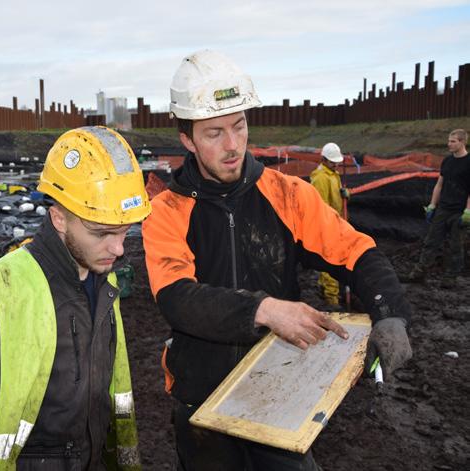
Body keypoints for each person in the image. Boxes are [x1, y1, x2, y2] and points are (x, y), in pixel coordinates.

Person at [142, 50, 413, 471]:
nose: (232, 146)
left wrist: (389, 311)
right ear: (187, 140)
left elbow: (356, 251)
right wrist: (264, 310)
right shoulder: (166, 212)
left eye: (239, 126)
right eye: (214, 133)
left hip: (278, 389)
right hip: (201, 398)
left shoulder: (288, 195)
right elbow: (177, 297)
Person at [0, 126, 150, 470]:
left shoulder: (103, 280)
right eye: (102, 233)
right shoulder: (4, 289)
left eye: (125, 230)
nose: (119, 248)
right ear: (58, 218)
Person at [404, 129, 470, 288]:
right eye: (449, 141)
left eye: (453, 141)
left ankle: (450, 278)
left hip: (459, 211)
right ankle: (419, 273)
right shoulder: (447, 161)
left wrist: (468, 211)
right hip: (444, 208)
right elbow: (439, 185)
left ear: (462, 142)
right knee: (431, 241)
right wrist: (432, 205)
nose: (449, 144)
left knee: (456, 245)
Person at [309, 142, 351, 307]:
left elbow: (337, 197)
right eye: (332, 161)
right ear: (323, 159)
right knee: (332, 260)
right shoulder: (320, 178)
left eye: (337, 161)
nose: (336, 164)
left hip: (336, 221)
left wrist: (347, 195)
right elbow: (321, 207)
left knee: (328, 260)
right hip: (326, 224)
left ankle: (323, 287)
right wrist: (331, 226)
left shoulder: (334, 174)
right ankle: (332, 300)